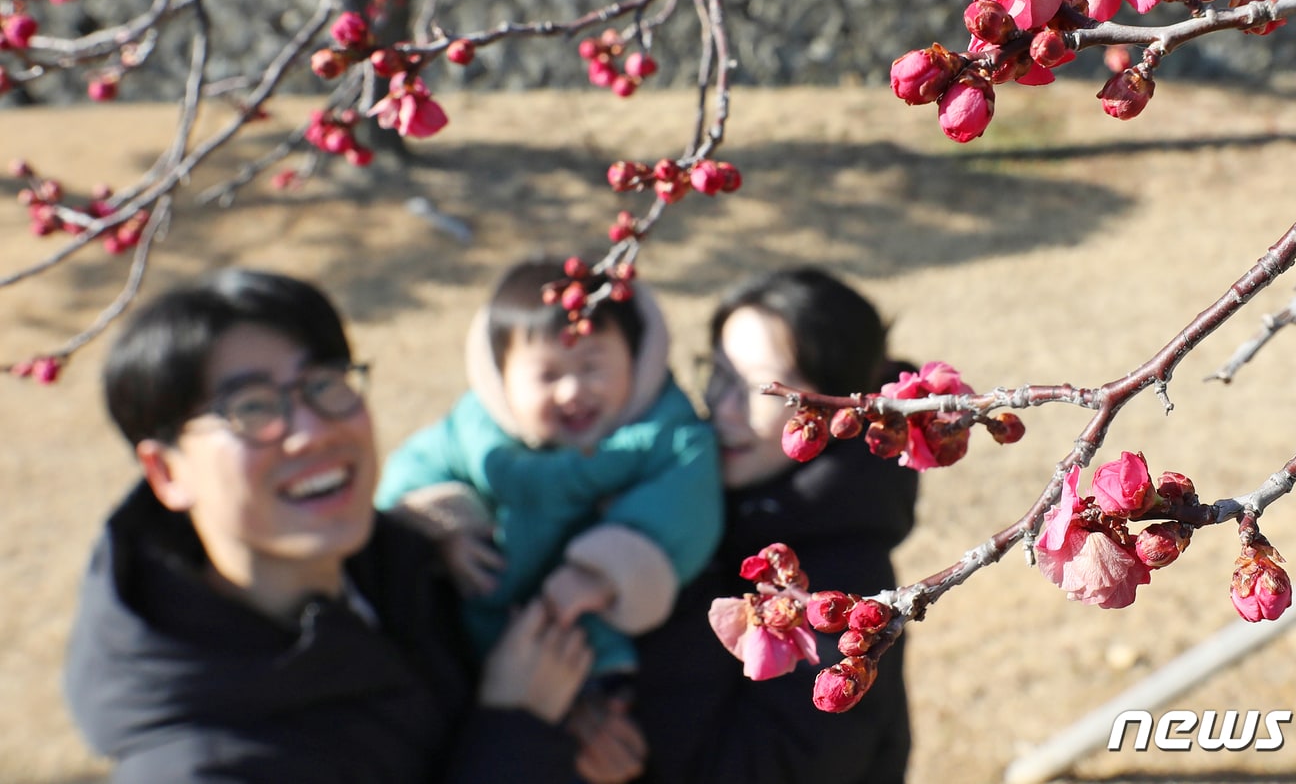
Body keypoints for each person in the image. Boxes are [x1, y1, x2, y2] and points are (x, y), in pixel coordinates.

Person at [66, 268, 593, 783]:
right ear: (166, 473)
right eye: (251, 408)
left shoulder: (420, 572)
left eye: (324, 383)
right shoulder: (195, 767)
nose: (313, 431)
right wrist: (518, 736)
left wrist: (577, 731)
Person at [630, 266, 920, 784]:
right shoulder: (714, 505)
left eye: (762, 392)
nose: (722, 409)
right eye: (717, 374)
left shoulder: (840, 592)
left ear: (835, 410)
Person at [375, 258, 722, 684]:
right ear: (501, 379)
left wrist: (603, 574)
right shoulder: (477, 432)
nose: (573, 390)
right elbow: (412, 476)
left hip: (592, 643)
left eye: (592, 366)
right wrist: (445, 531)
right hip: (466, 635)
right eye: (547, 374)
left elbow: (686, 504)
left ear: (636, 359)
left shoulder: (667, 435)